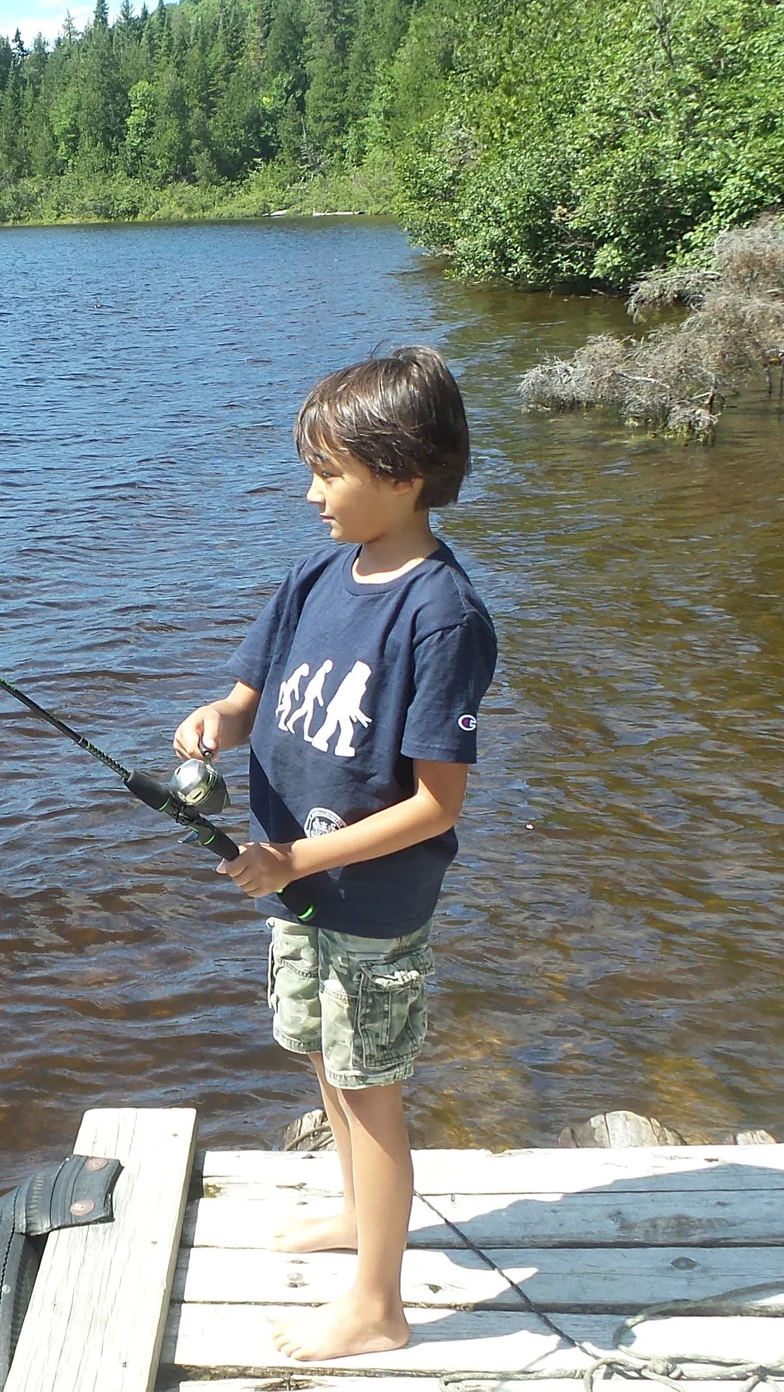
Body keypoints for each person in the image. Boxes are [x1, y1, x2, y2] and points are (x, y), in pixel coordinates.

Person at [172, 347, 498, 1362]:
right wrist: (217, 719)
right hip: (298, 884)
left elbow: (436, 805)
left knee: (370, 1092)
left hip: (368, 899)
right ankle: (359, 1216)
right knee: (323, 1057)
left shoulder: (442, 616)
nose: (311, 494)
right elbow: (249, 694)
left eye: (329, 473)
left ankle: (378, 1306)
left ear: (402, 476)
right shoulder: (316, 573)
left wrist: (294, 862)